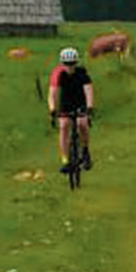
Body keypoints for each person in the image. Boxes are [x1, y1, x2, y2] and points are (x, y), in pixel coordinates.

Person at [47, 45, 94, 175]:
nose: (69, 66)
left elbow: (88, 91)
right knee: (63, 126)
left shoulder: (82, 74)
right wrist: (52, 110)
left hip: (80, 102)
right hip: (65, 103)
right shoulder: (58, 74)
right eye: (67, 64)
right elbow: (52, 93)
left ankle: (85, 151)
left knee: (82, 124)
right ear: (62, 63)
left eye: (72, 63)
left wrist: (89, 108)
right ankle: (65, 160)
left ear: (76, 62)